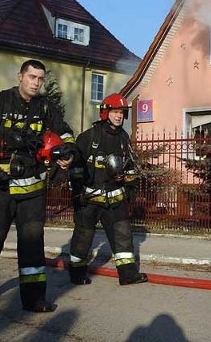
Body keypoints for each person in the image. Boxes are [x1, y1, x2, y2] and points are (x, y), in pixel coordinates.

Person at [0, 59, 76, 313]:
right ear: (20, 77)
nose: (36, 83)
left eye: (40, 78)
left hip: (32, 190)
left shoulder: (46, 108)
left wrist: (67, 153)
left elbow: (65, 134)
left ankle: (34, 298)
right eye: (32, 77)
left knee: (32, 243)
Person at [68, 93, 148, 286]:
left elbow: (129, 166)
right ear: (105, 113)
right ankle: (77, 274)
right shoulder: (89, 137)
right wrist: (77, 191)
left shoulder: (123, 139)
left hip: (115, 199)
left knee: (123, 237)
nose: (119, 116)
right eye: (115, 112)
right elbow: (76, 167)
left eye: (121, 112)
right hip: (90, 199)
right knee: (83, 238)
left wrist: (130, 187)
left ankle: (127, 274)